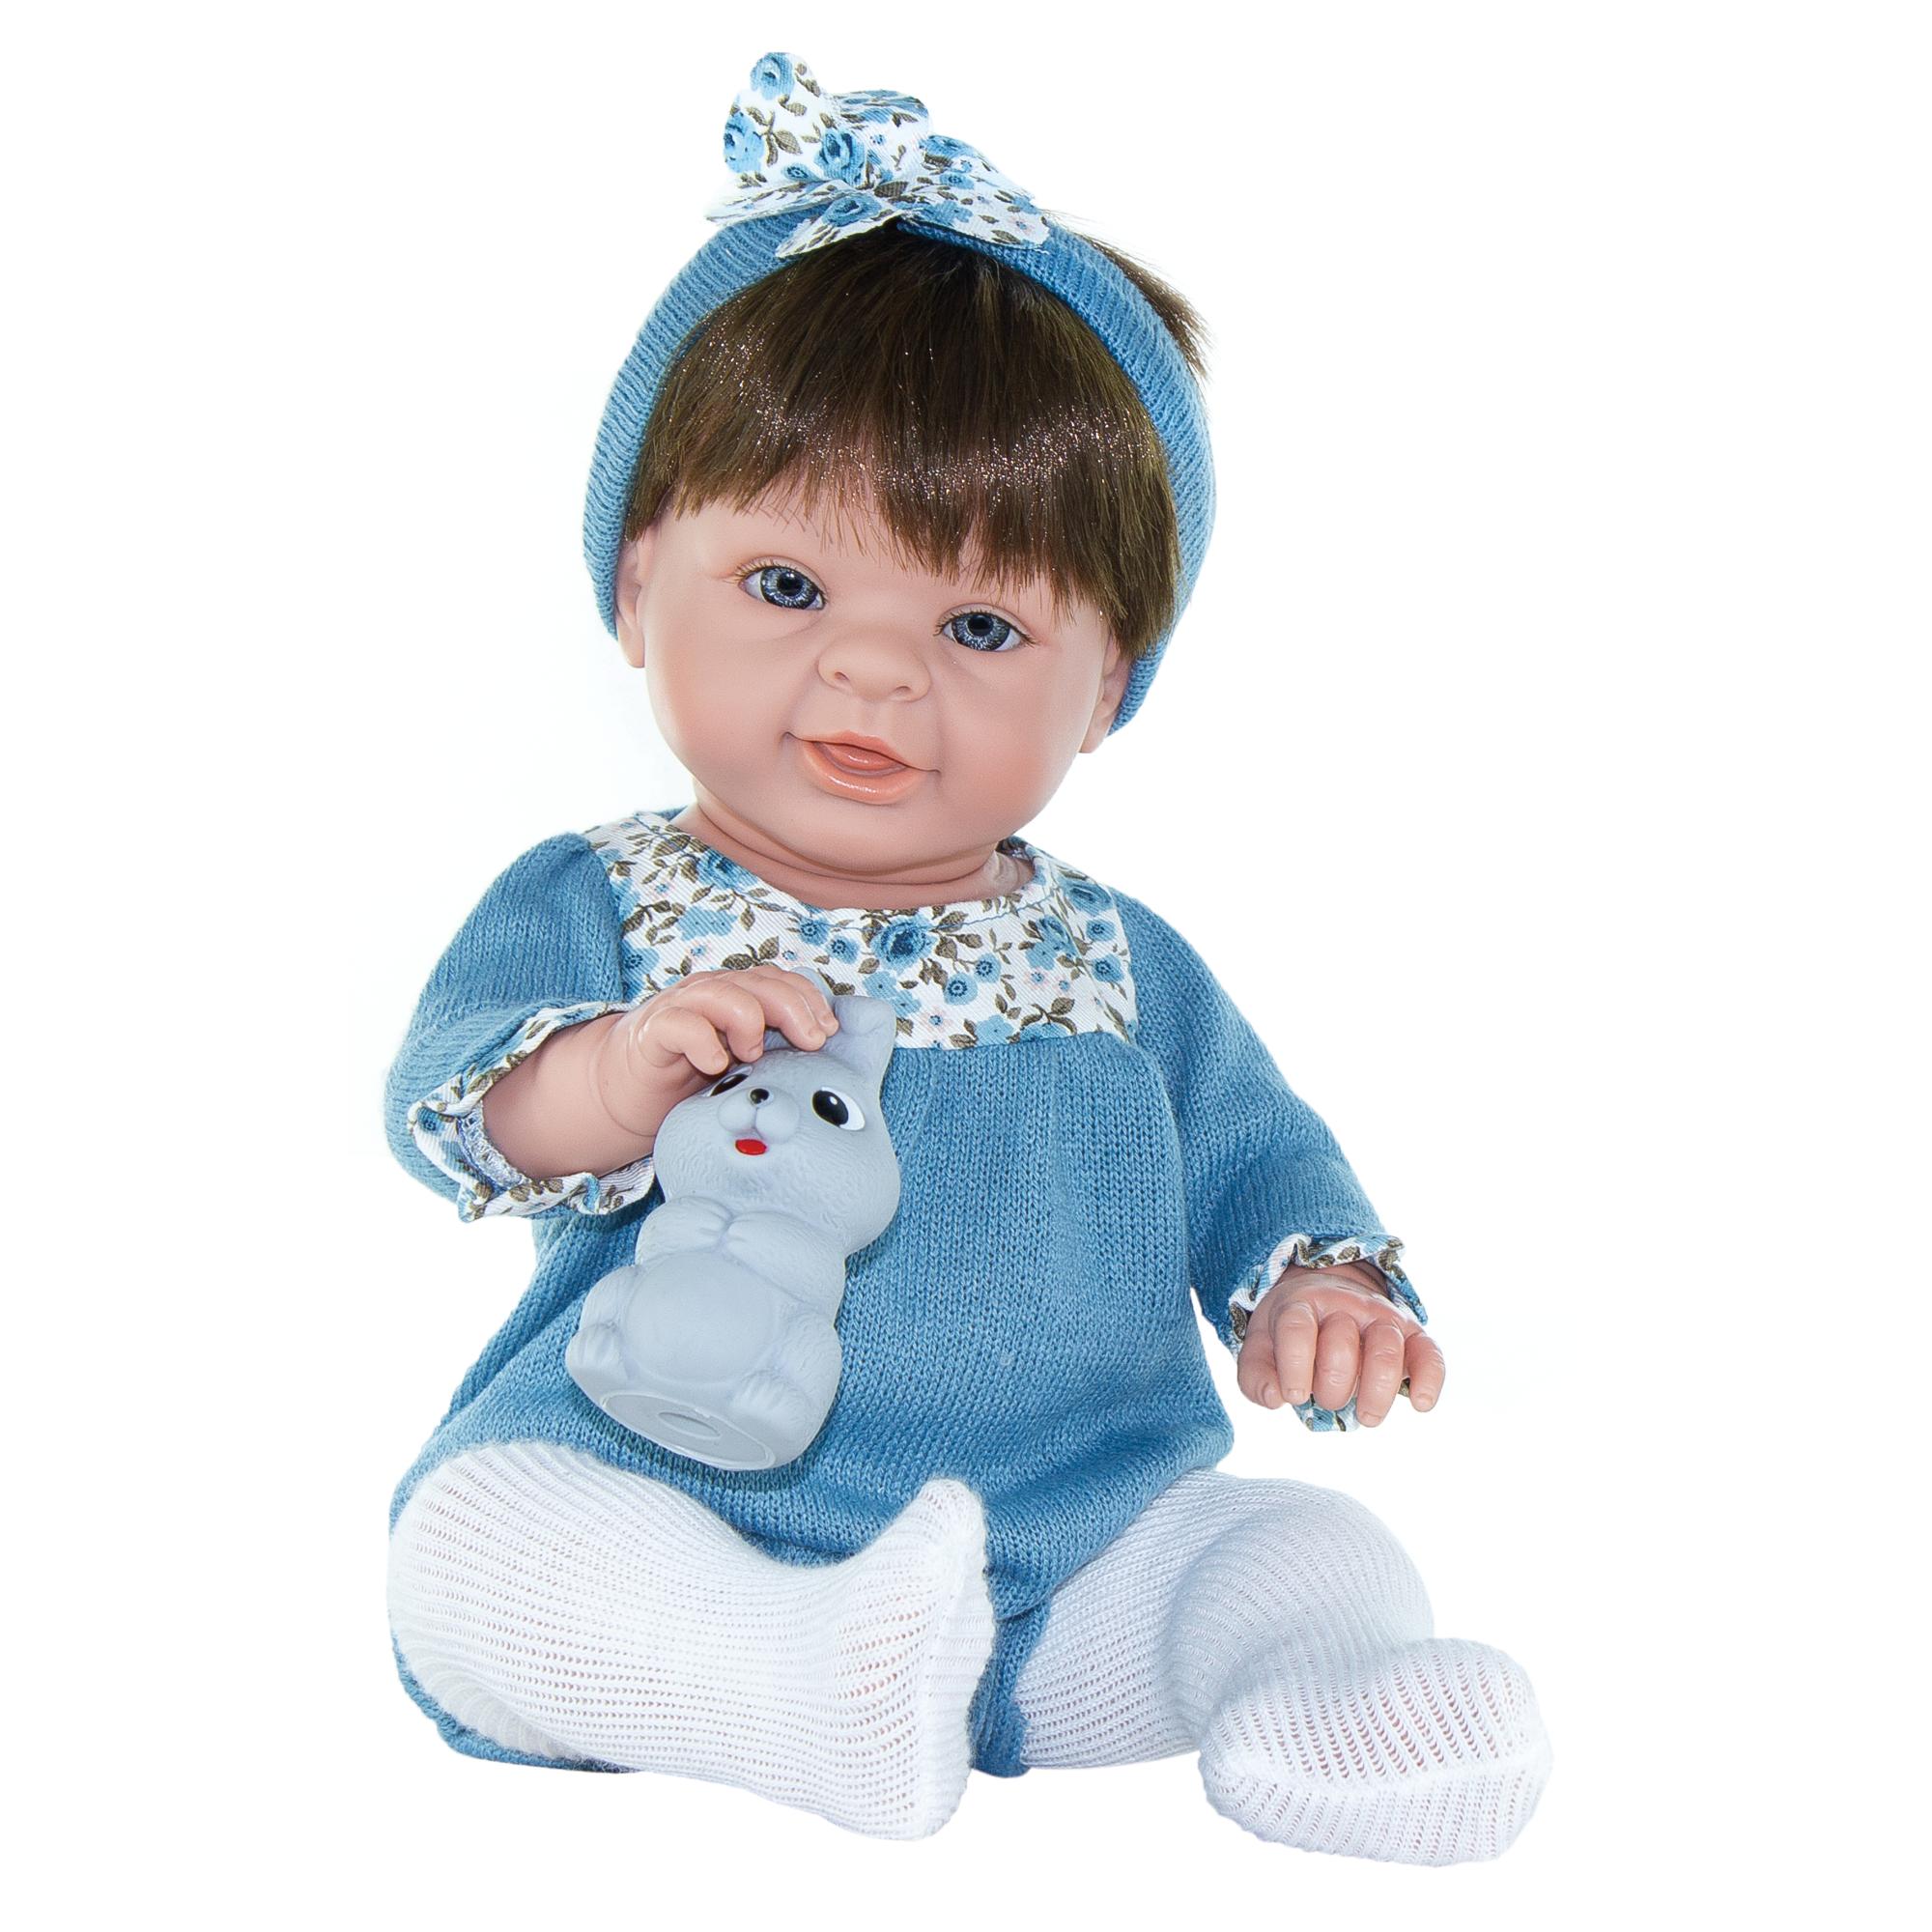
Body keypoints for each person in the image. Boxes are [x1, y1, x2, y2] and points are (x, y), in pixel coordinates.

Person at [384, 50, 1552, 1862]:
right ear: (633, 584)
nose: (871, 670)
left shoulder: (1112, 963)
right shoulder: (612, 899)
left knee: (1294, 1548)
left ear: (1108, 688)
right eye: (788, 588)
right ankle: (788, 1683)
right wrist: (613, 1072)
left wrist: (1317, 1285)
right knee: (475, 1556)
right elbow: (463, 1119)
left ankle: (1325, 1702)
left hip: (1067, 1553)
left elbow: (1256, 1155)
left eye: (983, 625)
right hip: (666, 1475)